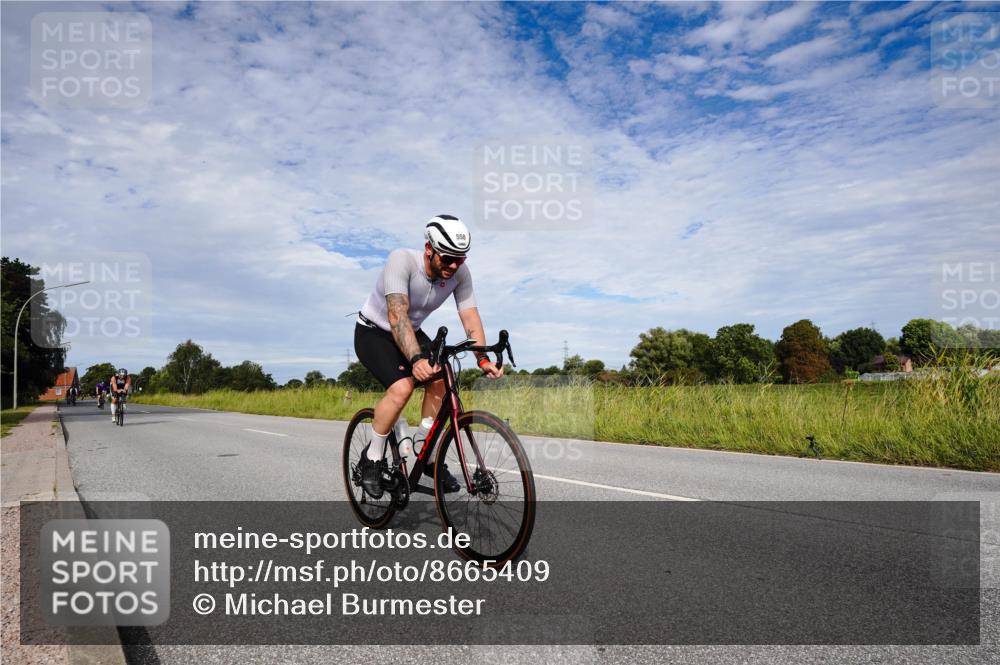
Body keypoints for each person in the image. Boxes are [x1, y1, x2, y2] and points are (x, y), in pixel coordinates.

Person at [354, 215, 503, 494]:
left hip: (412, 329)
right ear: (429, 249)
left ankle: (426, 454)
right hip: (375, 331)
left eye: (461, 259)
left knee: (440, 379)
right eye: (448, 259)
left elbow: (470, 317)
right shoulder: (401, 261)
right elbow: (397, 316)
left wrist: (482, 359)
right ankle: (372, 459)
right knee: (402, 388)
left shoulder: (460, 272)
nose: (454, 266)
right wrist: (415, 360)